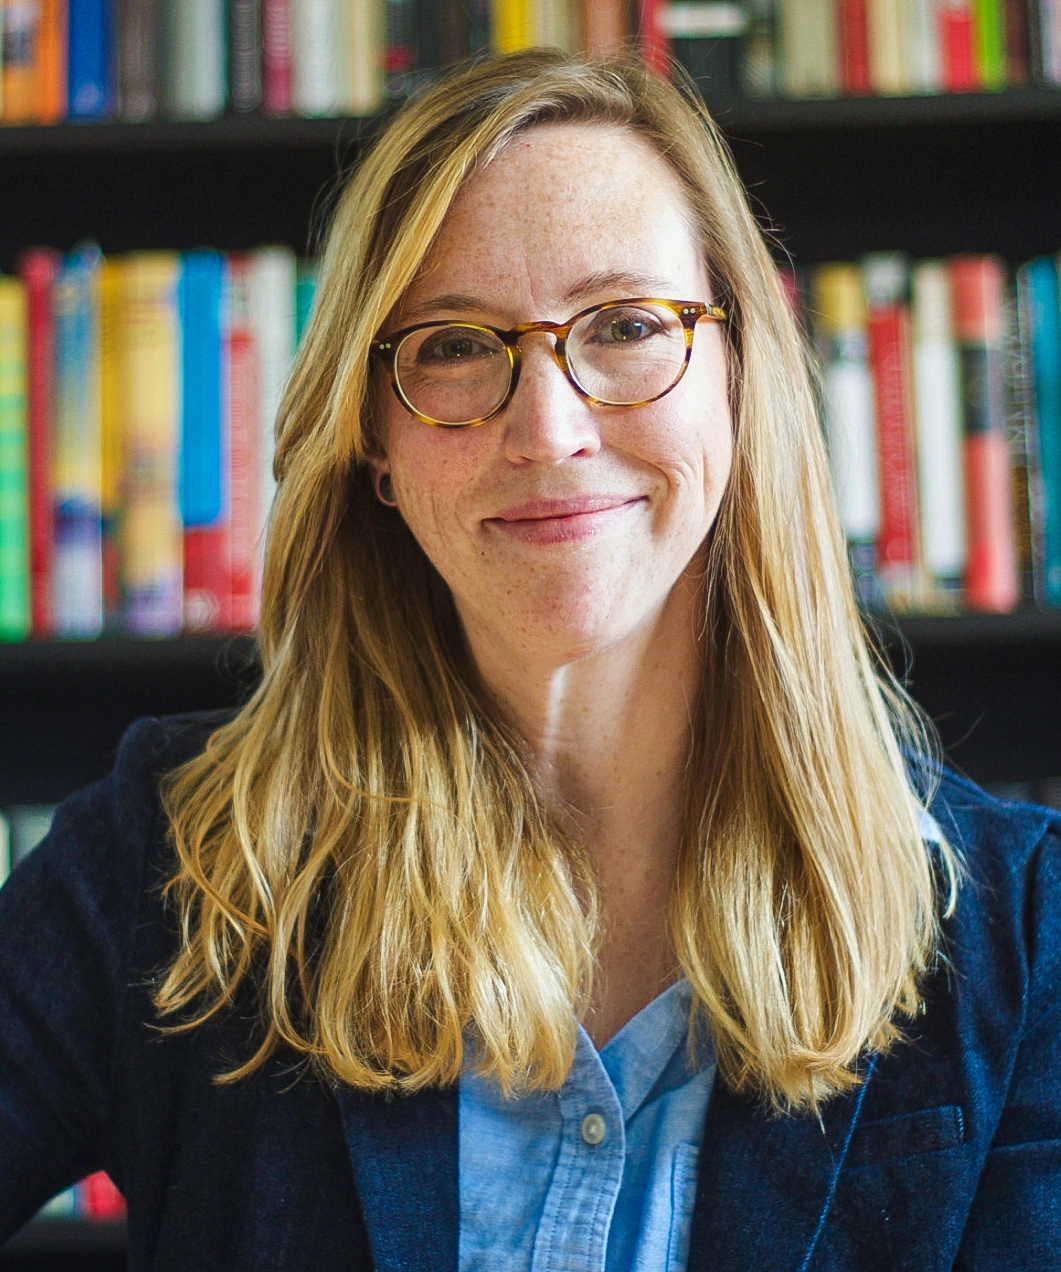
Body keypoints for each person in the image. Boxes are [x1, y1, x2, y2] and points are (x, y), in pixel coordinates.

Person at [1, 49, 1058, 1272]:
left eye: (623, 326)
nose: (548, 430)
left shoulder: (1020, 938)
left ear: (738, 377)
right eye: (453, 345)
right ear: (374, 443)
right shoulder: (175, 869)